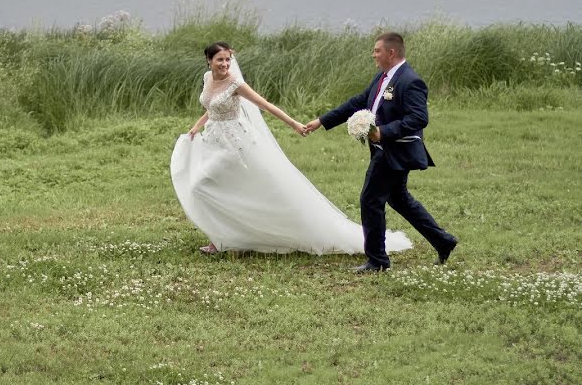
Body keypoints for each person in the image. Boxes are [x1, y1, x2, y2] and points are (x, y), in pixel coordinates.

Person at [171, 42, 412, 256]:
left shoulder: (236, 83)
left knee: (200, 185)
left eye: (227, 59)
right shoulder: (207, 78)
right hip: (214, 139)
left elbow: (266, 106)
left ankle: (227, 236)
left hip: (235, 145)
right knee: (223, 187)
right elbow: (212, 107)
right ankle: (225, 237)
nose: (224, 64)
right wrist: (195, 128)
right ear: (209, 61)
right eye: (219, 60)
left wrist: (295, 124)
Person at [304, 32, 457, 272]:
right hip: (382, 151)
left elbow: (418, 118)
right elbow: (359, 102)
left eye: (377, 51)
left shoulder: (410, 81)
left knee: (370, 200)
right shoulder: (382, 77)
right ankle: (443, 241)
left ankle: (377, 261)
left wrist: (383, 132)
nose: (373, 54)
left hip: (396, 151)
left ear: (391, 53)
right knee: (399, 199)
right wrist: (322, 121)